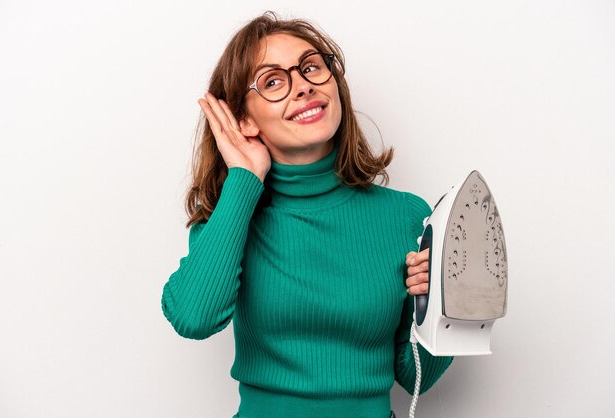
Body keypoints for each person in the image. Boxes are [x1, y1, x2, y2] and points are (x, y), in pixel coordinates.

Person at [161, 11, 453, 418]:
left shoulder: (406, 216)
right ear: (243, 119)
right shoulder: (229, 218)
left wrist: (447, 307)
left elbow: (415, 376)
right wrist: (245, 179)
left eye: (311, 67)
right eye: (274, 81)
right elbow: (194, 318)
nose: (302, 87)